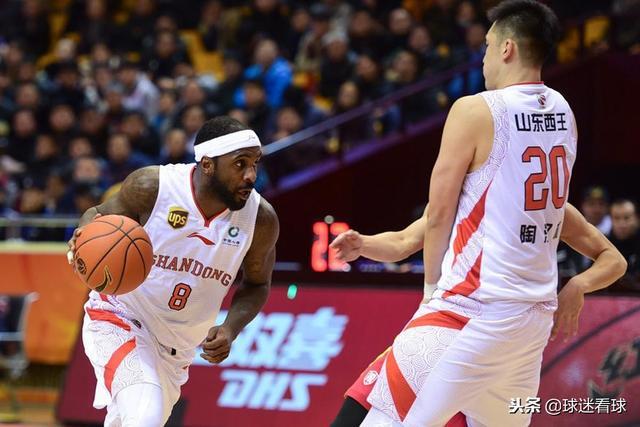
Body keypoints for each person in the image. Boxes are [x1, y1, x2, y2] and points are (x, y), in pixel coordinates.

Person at [341, 1, 627, 425]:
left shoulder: (475, 109)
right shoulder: (564, 111)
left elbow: (439, 215)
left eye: (488, 46)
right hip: (530, 327)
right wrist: (580, 285)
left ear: (507, 48)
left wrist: (430, 295)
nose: (483, 57)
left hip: (468, 312)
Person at [329, 202, 626, 426]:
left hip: (500, 346)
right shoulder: (459, 195)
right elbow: (403, 241)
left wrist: (579, 284)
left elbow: (614, 259)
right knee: (353, 413)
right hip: (446, 332)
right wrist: (364, 244)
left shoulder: (548, 204)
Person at [66, 116, 279, 426]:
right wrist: (83, 239)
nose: (251, 175)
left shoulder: (260, 220)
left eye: (254, 164)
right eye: (240, 164)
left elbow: (257, 285)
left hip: (177, 352)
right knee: (145, 416)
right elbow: (97, 215)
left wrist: (231, 328)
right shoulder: (153, 186)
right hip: (119, 318)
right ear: (208, 164)